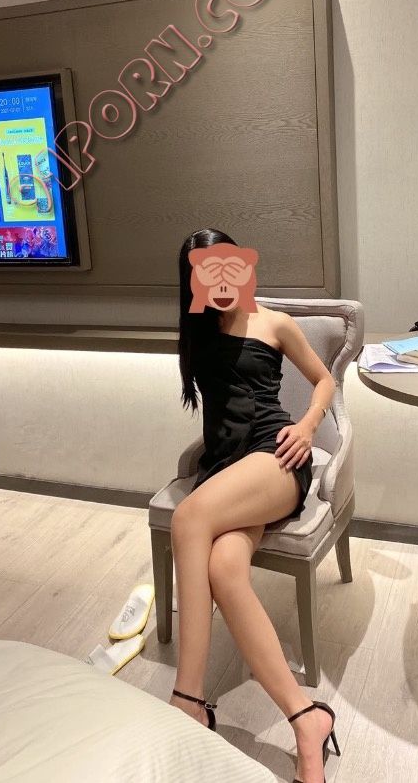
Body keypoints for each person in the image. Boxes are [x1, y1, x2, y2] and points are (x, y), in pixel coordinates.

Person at [170, 227, 340, 783]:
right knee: (223, 567)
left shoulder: (274, 322)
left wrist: (308, 426)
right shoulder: (197, 326)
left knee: (188, 517)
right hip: (226, 469)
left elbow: (323, 380)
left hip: (276, 457)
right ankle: (306, 718)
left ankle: (188, 700)